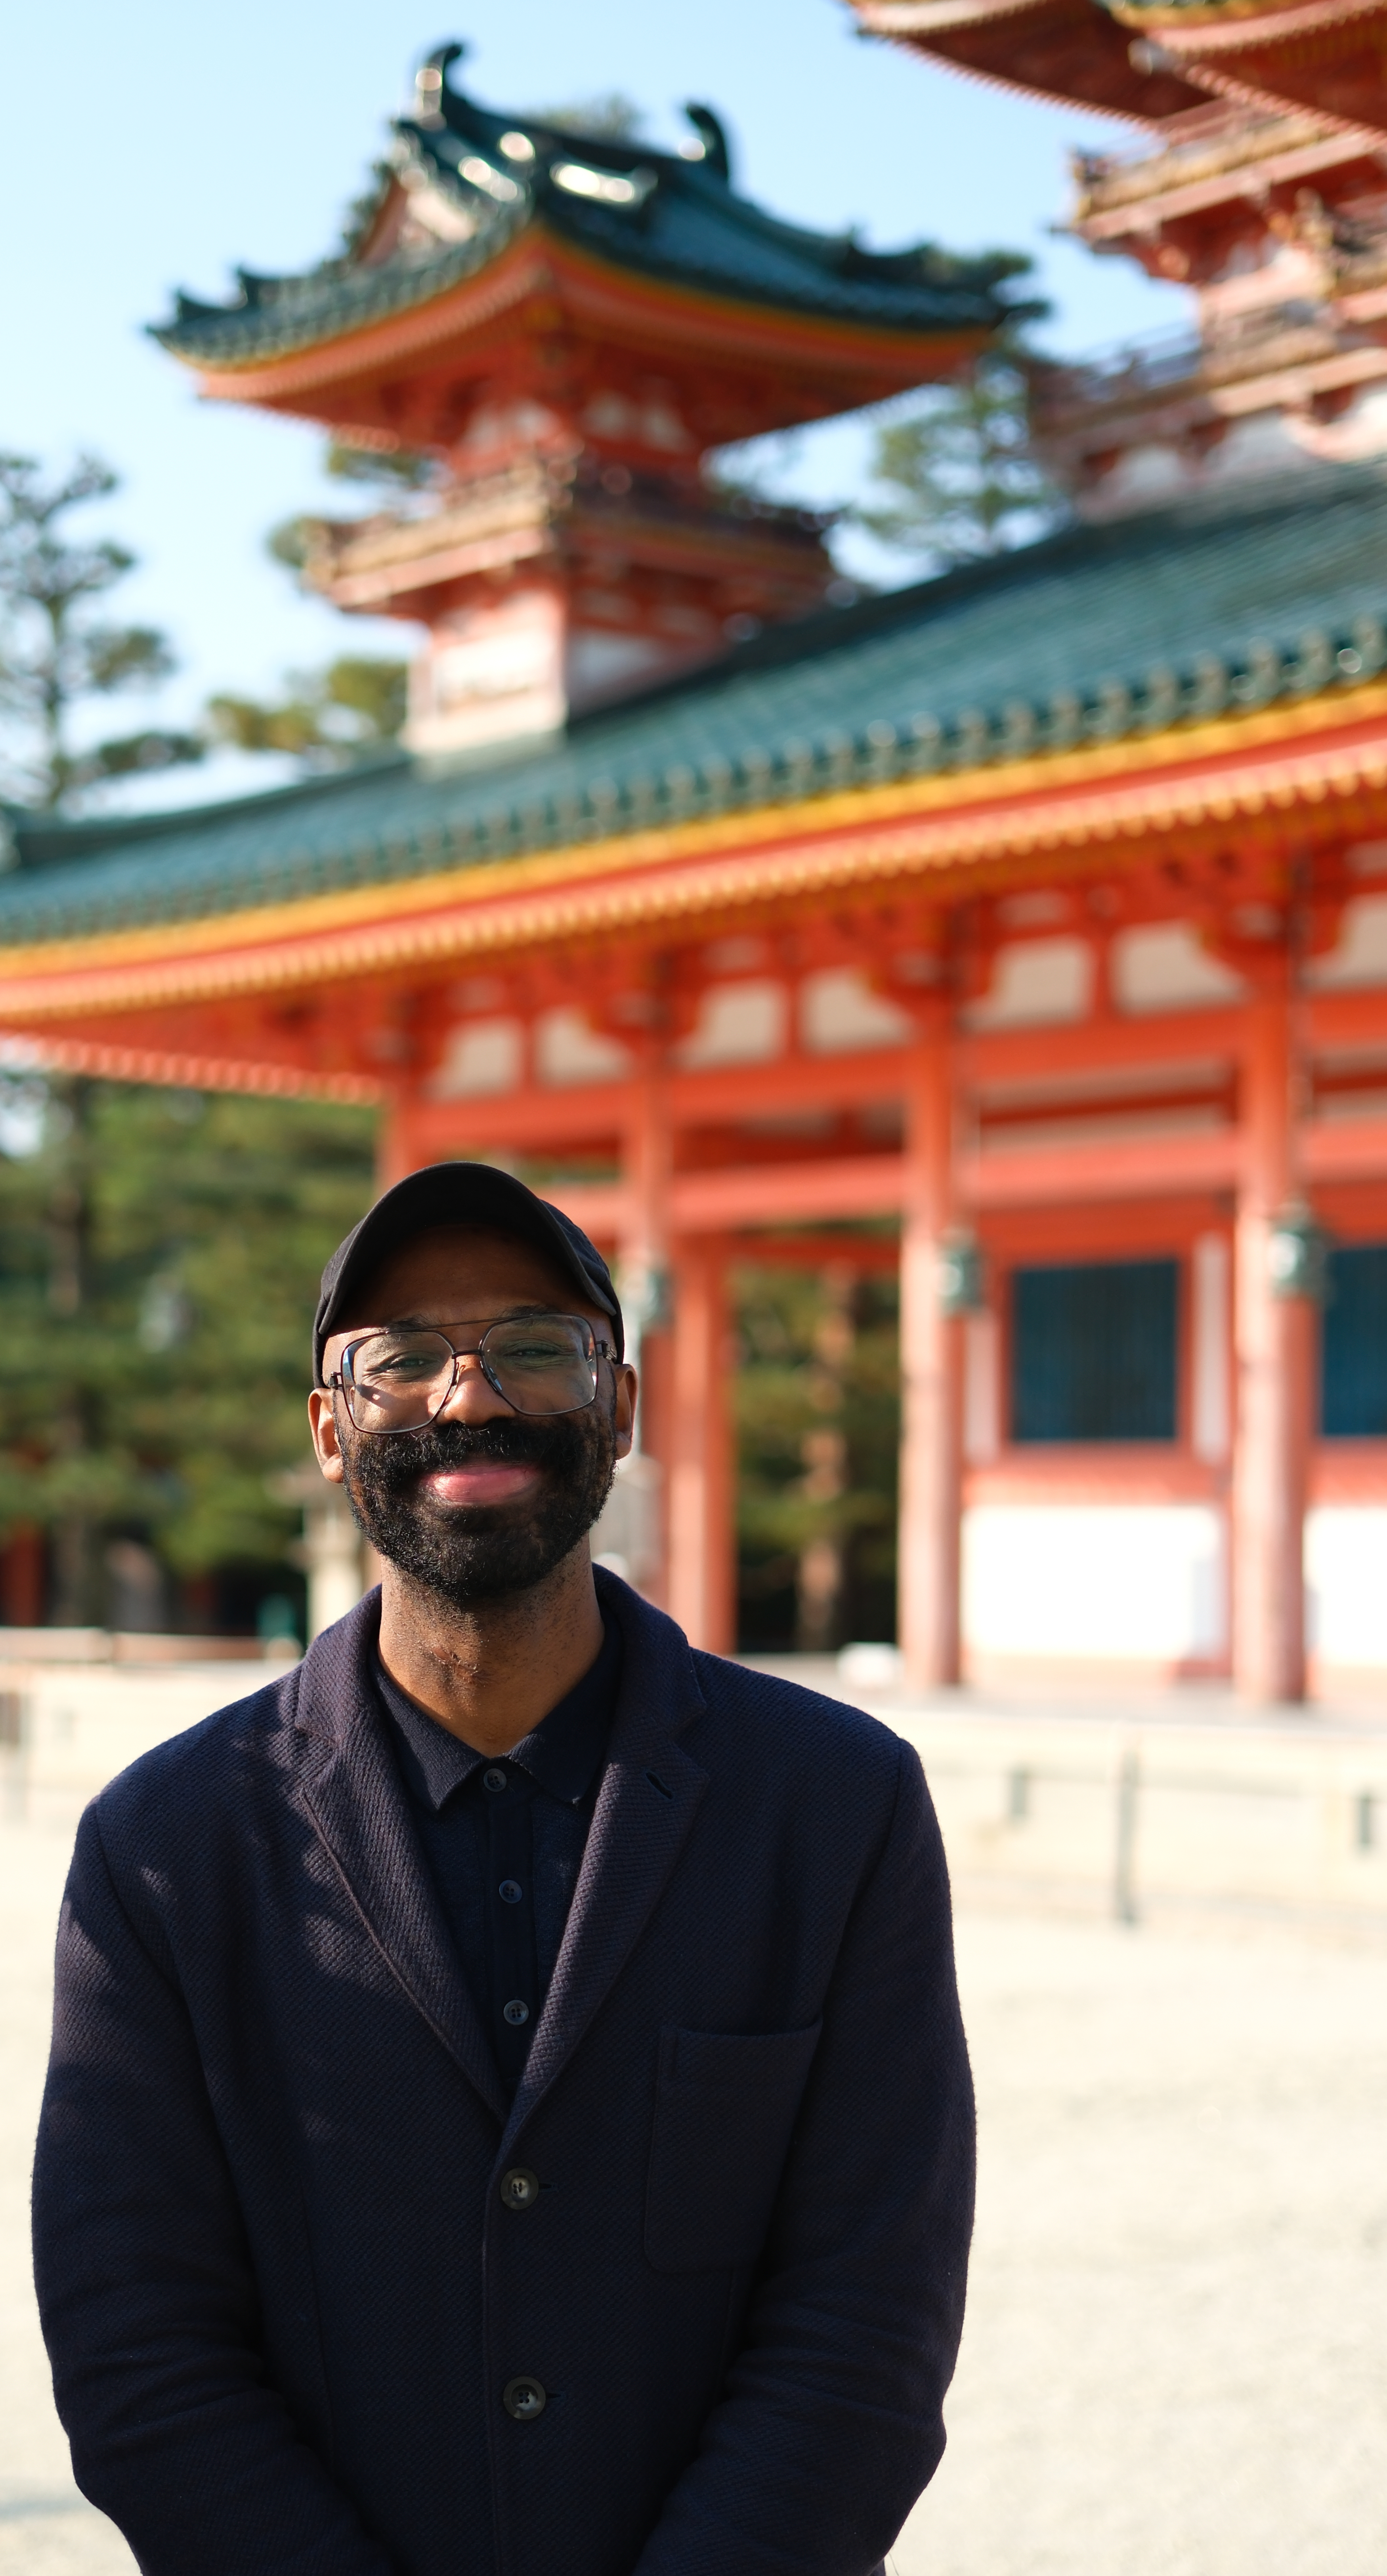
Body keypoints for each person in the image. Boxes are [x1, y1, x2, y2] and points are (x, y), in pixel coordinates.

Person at [32, 1161, 975, 2576]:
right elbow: (138, 2347)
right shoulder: (167, 1853)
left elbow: (867, 2318)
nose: (468, 1399)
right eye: (400, 1359)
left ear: (621, 1406)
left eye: (535, 1347)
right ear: (331, 1432)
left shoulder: (835, 1811)